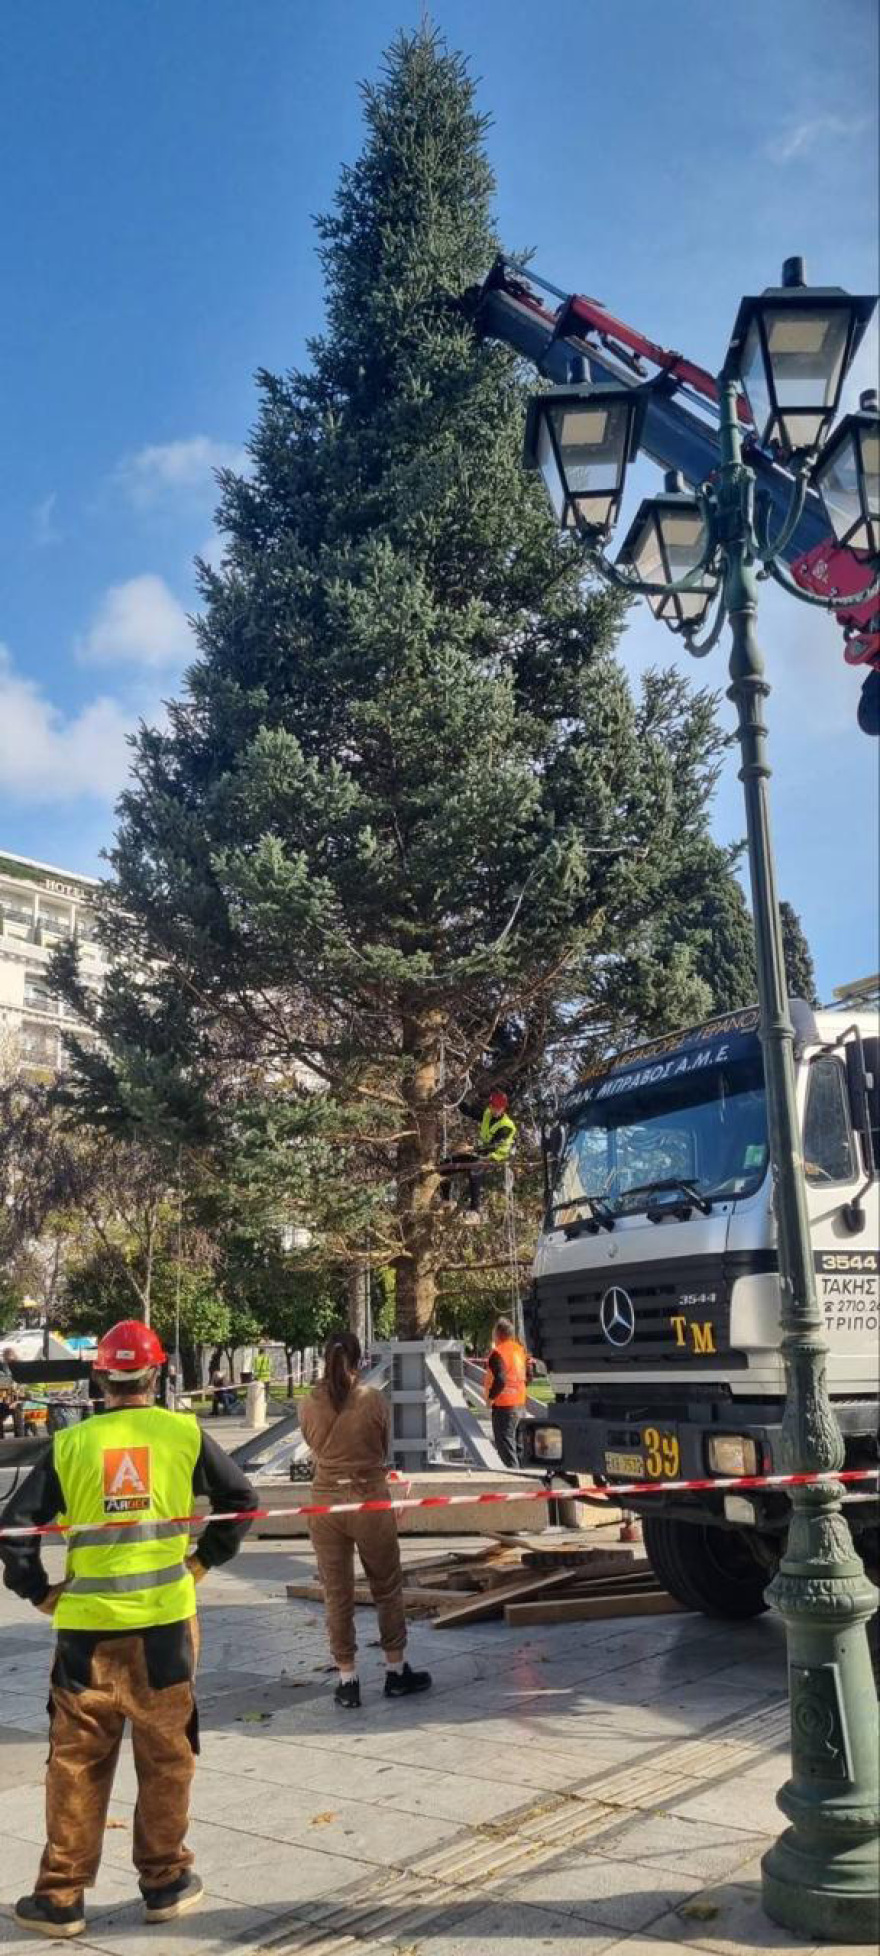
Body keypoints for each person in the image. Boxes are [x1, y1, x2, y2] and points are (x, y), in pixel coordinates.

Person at [0, 1317, 255, 1940]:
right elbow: (241, 1501)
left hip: (85, 1635)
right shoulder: (184, 1435)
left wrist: (37, 1592)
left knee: (77, 1764)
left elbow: (14, 1530)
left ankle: (61, 1897)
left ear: (100, 1376)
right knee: (167, 1758)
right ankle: (165, 1882)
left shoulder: (70, 1445)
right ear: (158, 1372)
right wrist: (202, 1561)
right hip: (165, 1629)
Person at [299, 1330, 432, 1711]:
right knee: (386, 1586)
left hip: (326, 1503)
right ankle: (396, 1670)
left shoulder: (307, 1403)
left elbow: (310, 1444)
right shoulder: (372, 1400)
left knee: (336, 1592)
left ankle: (347, 1679)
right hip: (369, 1498)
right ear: (359, 1361)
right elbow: (383, 1446)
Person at [437, 1089, 517, 1223]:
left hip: (497, 1156)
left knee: (475, 1168)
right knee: (445, 1165)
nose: (493, 1110)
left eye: (497, 1108)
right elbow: (470, 1111)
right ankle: (446, 1200)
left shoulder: (506, 1126)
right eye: (492, 1106)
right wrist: (454, 1099)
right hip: (482, 1153)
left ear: (503, 1108)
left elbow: (493, 1146)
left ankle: (475, 1210)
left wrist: (471, 1148)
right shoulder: (487, 1113)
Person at [483, 1315, 530, 1468]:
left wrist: (491, 1398)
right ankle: (527, 1481)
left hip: (504, 1407)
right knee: (518, 1447)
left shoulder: (498, 1353)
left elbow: (501, 1380)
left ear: (498, 1334)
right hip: (520, 1405)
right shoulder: (520, 1351)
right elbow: (529, 1375)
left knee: (506, 1449)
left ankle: (515, 1481)